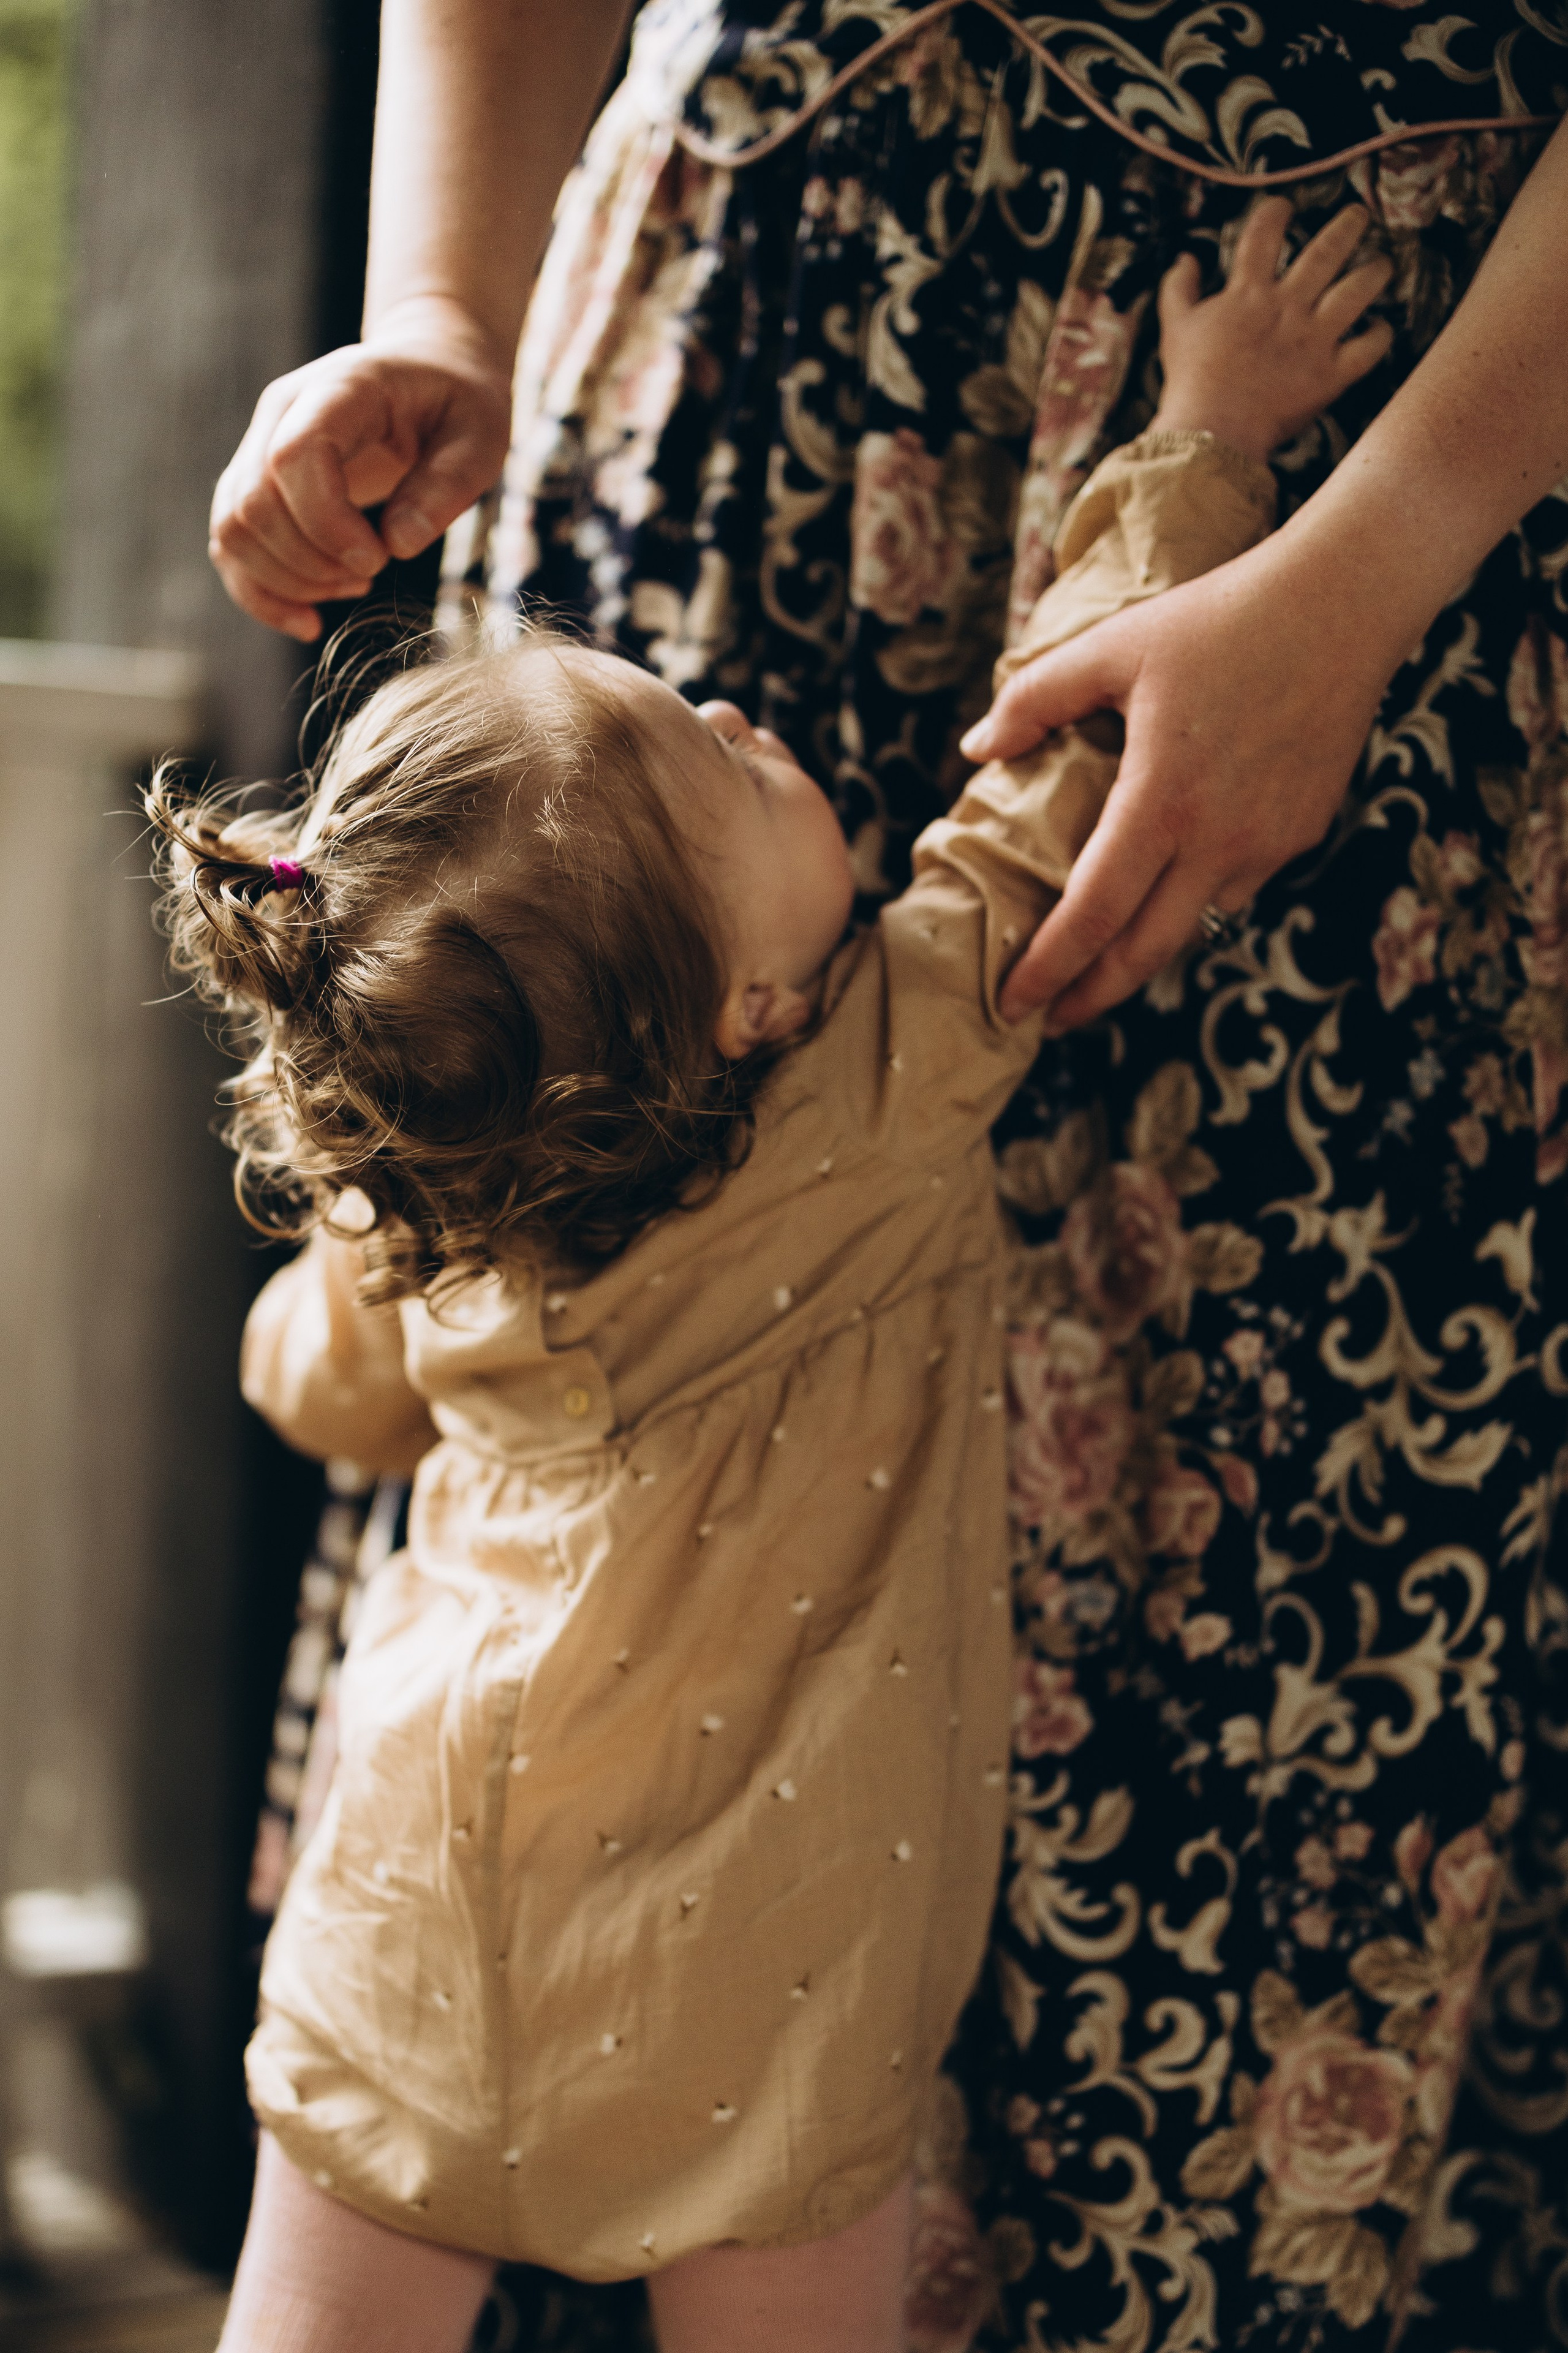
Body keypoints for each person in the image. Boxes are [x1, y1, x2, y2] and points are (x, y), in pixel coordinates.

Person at [211, 6, 1568, 2346]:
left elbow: (317, 1381)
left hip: (414, 1920)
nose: (731, 712)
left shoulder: (426, 1190)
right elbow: (1058, 786)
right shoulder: (878, 1090)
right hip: (776, 1966)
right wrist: (1212, 440)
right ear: (745, 1009)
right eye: (704, 752)